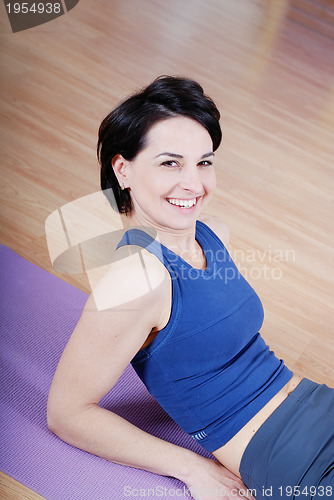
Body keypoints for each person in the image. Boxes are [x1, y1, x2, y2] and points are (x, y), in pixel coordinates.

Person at [47, 76, 334, 500]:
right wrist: (191, 468)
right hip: (291, 461)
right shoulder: (136, 278)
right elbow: (66, 414)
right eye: (169, 163)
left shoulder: (212, 232)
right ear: (122, 169)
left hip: (318, 404)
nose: (194, 184)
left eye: (204, 162)